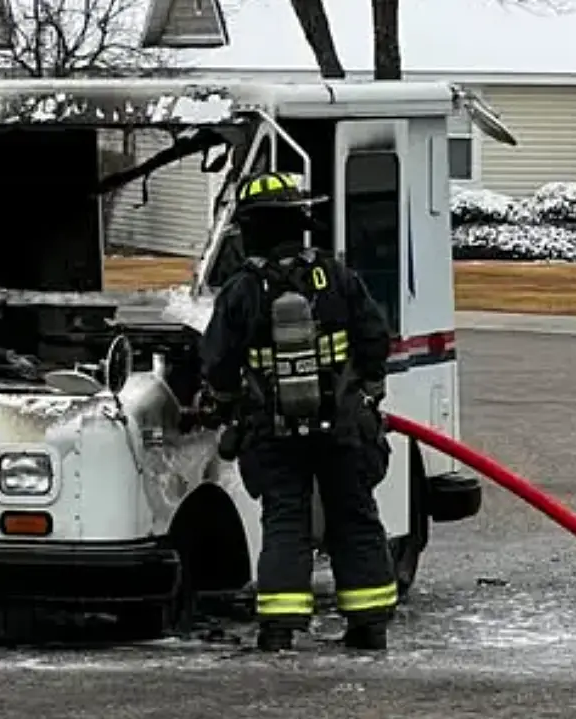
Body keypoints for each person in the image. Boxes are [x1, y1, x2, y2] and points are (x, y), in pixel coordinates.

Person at [196, 170, 398, 652]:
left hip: (273, 428)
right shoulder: (336, 275)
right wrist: (368, 390)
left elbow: (218, 362)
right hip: (344, 423)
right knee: (355, 516)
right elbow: (375, 338)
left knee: (285, 520)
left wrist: (223, 405)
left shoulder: (243, 289)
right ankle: (369, 625)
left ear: (249, 229)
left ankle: (280, 628)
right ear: (299, 223)